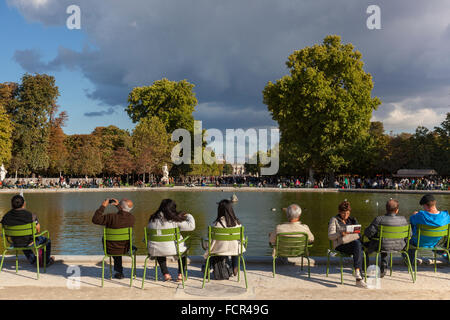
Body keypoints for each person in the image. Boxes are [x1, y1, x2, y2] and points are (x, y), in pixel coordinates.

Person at [147, 199, 195, 282]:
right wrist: (188, 215)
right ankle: (180, 274)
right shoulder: (174, 220)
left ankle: (166, 274)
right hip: (173, 249)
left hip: (155, 250)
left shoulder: (152, 219)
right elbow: (191, 227)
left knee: (159, 248)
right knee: (183, 252)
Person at [0, 195, 55, 266]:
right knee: (47, 240)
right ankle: (45, 262)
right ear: (24, 204)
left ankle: (34, 261)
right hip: (29, 242)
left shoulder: (5, 217)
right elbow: (38, 230)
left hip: (15, 242)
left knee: (21, 239)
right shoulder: (31, 216)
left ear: (11, 204)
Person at [363, 199, 409, 277]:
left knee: (364, 246)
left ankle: (365, 269)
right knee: (385, 242)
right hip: (400, 246)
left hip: (383, 245)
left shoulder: (379, 219)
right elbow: (409, 234)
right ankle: (383, 267)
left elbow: (368, 233)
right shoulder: (403, 220)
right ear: (397, 210)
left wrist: (372, 236)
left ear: (386, 209)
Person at [92, 198, 135, 279]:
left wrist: (103, 206)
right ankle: (119, 271)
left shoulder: (110, 217)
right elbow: (123, 215)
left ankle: (119, 271)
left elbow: (95, 219)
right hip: (125, 248)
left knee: (115, 244)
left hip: (110, 248)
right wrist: (119, 206)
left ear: (121, 207)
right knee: (119, 244)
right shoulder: (132, 218)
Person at [328, 200, 367, 288]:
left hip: (352, 244)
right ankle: (359, 278)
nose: (346, 216)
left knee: (358, 245)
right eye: (343, 213)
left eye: (348, 213)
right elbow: (330, 236)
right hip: (340, 245)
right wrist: (341, 233)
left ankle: (358, 274)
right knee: (359, 247)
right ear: (339, 212)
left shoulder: (352, 220)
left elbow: (359, 234)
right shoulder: (334, 220)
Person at [203, 199, 245, 276]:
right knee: (235, 245)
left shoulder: (215, 224)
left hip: (219, 249)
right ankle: (235, 266)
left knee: (211, 250)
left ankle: (208, 267)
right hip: (234, 249)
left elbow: (210, 240)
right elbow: (242, 239)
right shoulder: (238, 224)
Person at [409, 194, 450, 259]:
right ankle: (445, 253)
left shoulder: (420, 215)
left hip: (419, 243)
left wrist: (414, 215)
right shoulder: (446, 216)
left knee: (408, 239)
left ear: (425, 205)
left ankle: (409, 260)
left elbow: (411, 221)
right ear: (435, 203)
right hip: (435, 242)